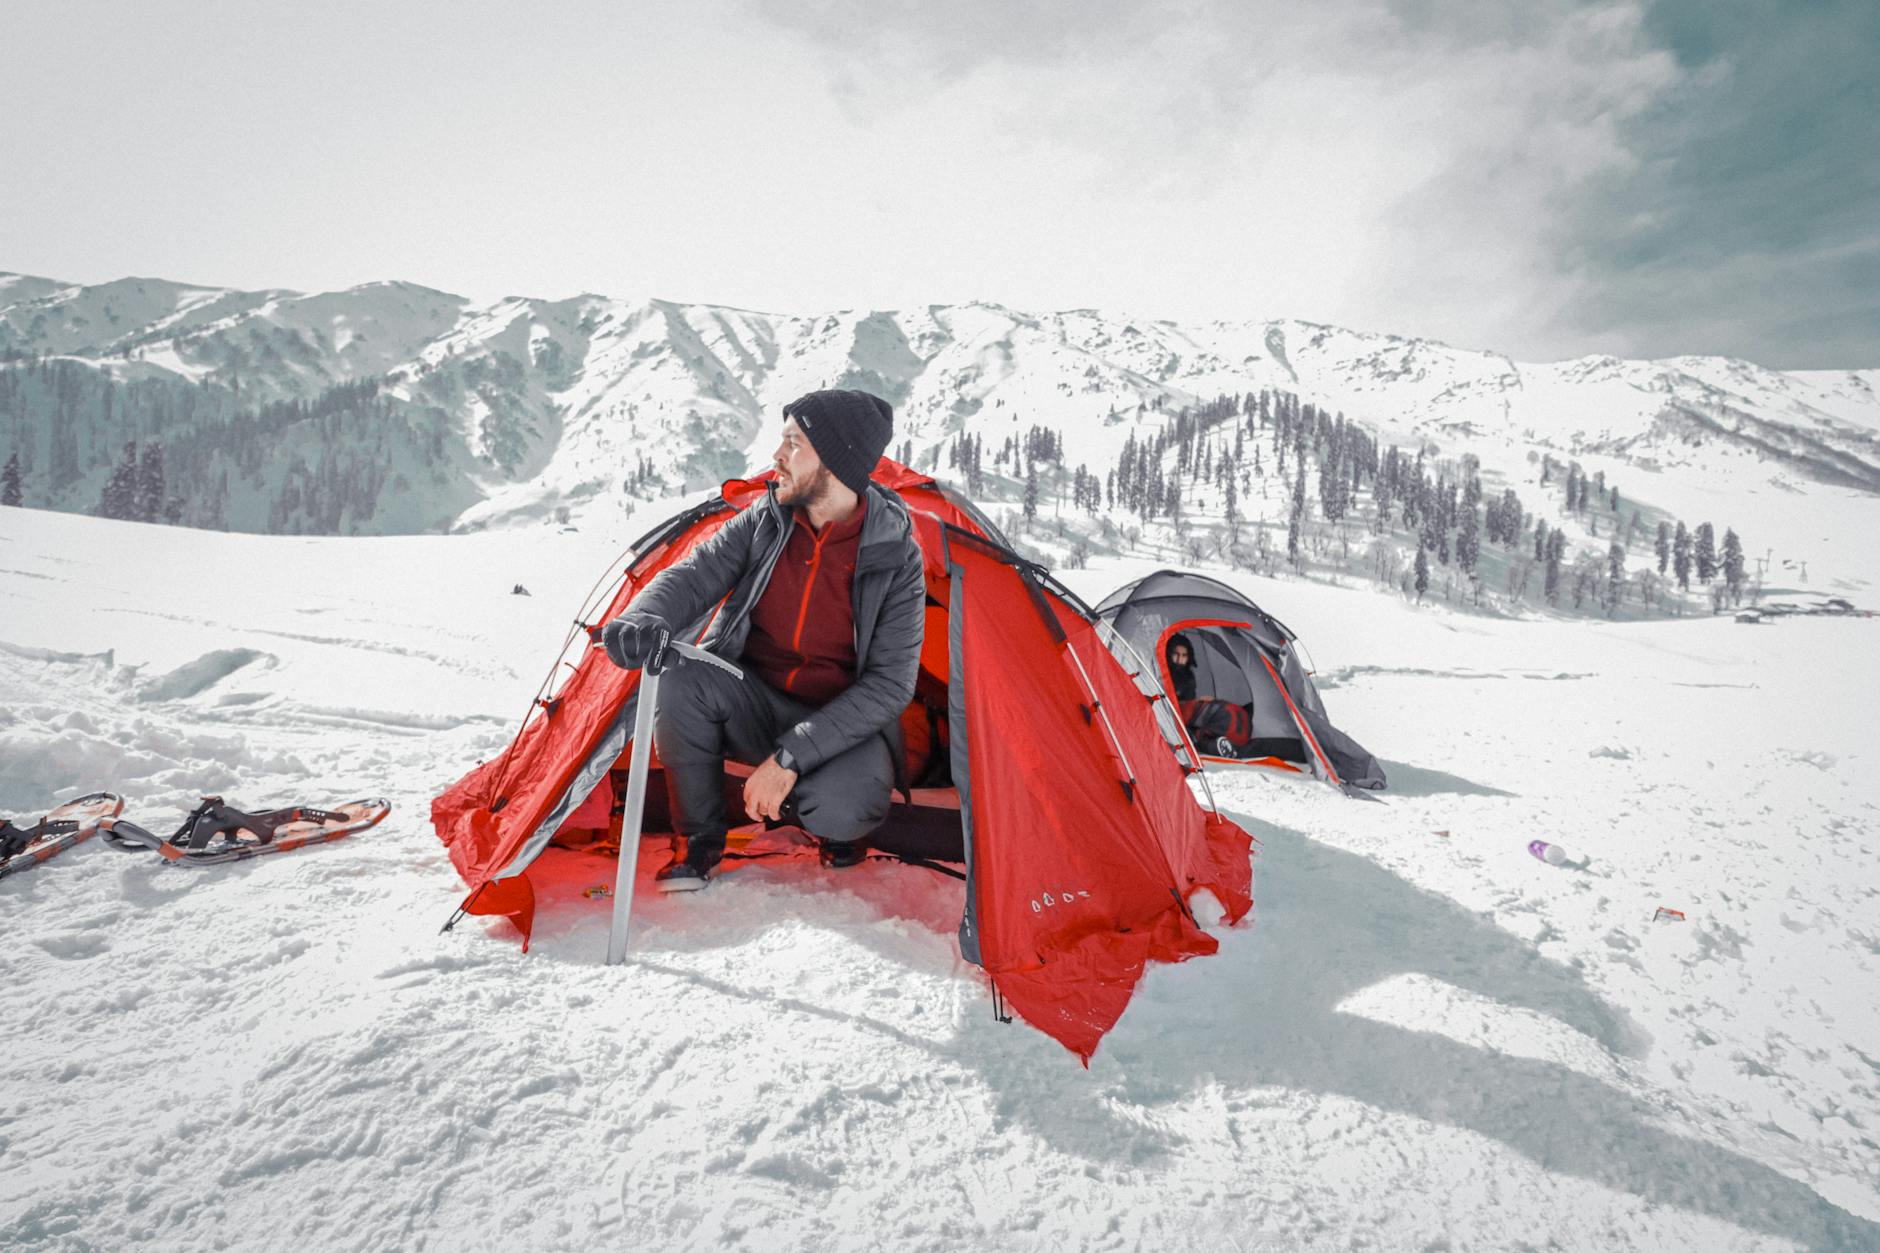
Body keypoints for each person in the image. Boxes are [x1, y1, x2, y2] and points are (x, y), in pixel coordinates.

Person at [600, 389, 925, 891]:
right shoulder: (766, 521)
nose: (777, 456)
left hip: (842, 723)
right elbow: (693, 575)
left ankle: (821, 816)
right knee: (681, 677)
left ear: (835, 462)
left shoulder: (894, 556)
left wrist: (789, 759)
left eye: (793, 443)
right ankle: (698, 841)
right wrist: (643, 617)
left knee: (845, 809)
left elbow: (888, 685)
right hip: (752, 699)